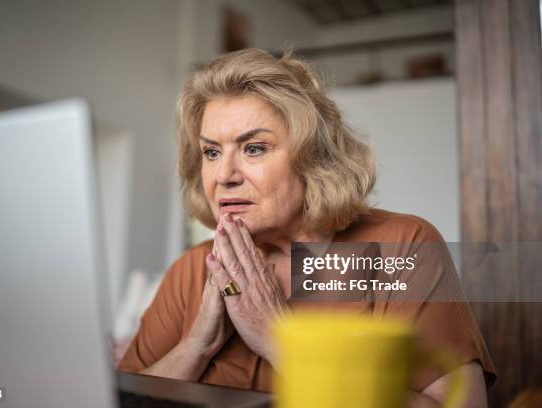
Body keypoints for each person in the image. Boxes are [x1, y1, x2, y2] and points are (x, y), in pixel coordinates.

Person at [118, 48, 496, 406]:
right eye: (211, 152)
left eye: (254, 148)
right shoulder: (192, 270)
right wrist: (194, 348)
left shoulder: (404, 247)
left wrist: (281, 341)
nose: (223, 175)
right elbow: (118, 398)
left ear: (313, 158)